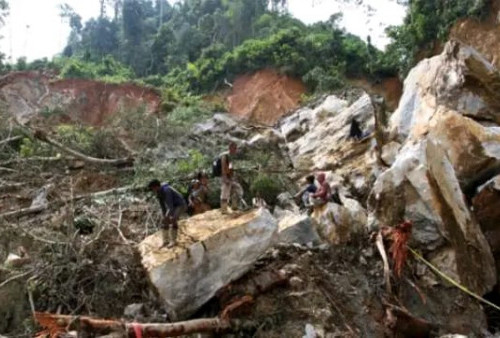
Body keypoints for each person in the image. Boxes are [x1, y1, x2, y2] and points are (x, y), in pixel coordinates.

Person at [148, 179, 187, 248]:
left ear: (156, 186)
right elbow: (163, 206)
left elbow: (170, 207)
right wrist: (164, 216)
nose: (153, 190)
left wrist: (167, 216)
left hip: (180, 205)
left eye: (152, 188)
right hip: (173, 206)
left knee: (173, 219)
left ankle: (173, 241)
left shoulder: (166, 190)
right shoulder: (158, 192)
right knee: (165, 221)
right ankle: (165, 241)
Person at [220, 142, 244, 214]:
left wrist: (232, 177)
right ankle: (224, 210)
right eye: (234, 148)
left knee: (237, 189)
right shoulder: (225, 156)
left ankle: (234, 206)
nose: (236, 150)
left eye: (236, 148)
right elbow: (223, 167)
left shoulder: (230, 156)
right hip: (225, 177)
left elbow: (230, 167)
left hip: (230, 177)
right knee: (225, 193)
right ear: (230, 148)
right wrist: (225, 178)